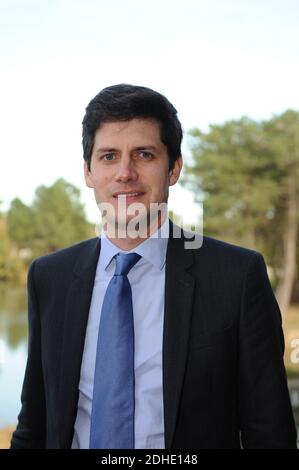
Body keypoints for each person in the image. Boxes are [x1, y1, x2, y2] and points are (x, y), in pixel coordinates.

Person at [11, 84, 297, 449]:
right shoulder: (49, 278)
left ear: (174, 168)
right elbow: (33, 426)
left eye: (144, 155)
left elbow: (270, 434)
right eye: (109, 156)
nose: (125, 173)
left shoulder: (237, 278)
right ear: (87, 171)